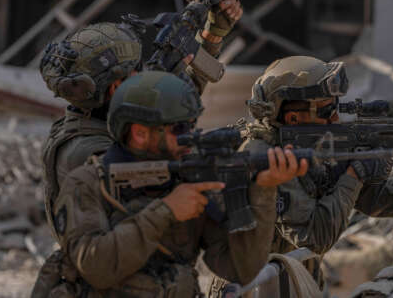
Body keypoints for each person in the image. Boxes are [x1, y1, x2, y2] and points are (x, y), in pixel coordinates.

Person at [31, 0, 241, 297]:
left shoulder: (92, 123)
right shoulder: (88, 151)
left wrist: (210, 36)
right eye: (134, 73)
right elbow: (160, 165)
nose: (142, 76)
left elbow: (165, 119)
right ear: (115, 87)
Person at [207, 56, 393, 295]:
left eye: (336, 107)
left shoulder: (310, 147)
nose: (336, 118)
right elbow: (315, 236)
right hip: (255, 291)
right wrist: (356, 171)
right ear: (293, 118)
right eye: (326, 111)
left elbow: (369, 200)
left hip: (294, 284)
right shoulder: (266, 160)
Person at [52, 71, 306, 296]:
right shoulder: (86, 184)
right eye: (179, 128)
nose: (190, 136)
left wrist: (264, 189)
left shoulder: (186, 178)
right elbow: (97, 268)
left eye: (192, 125)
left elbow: (241, 270)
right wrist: (167, 211)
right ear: (140, 133)